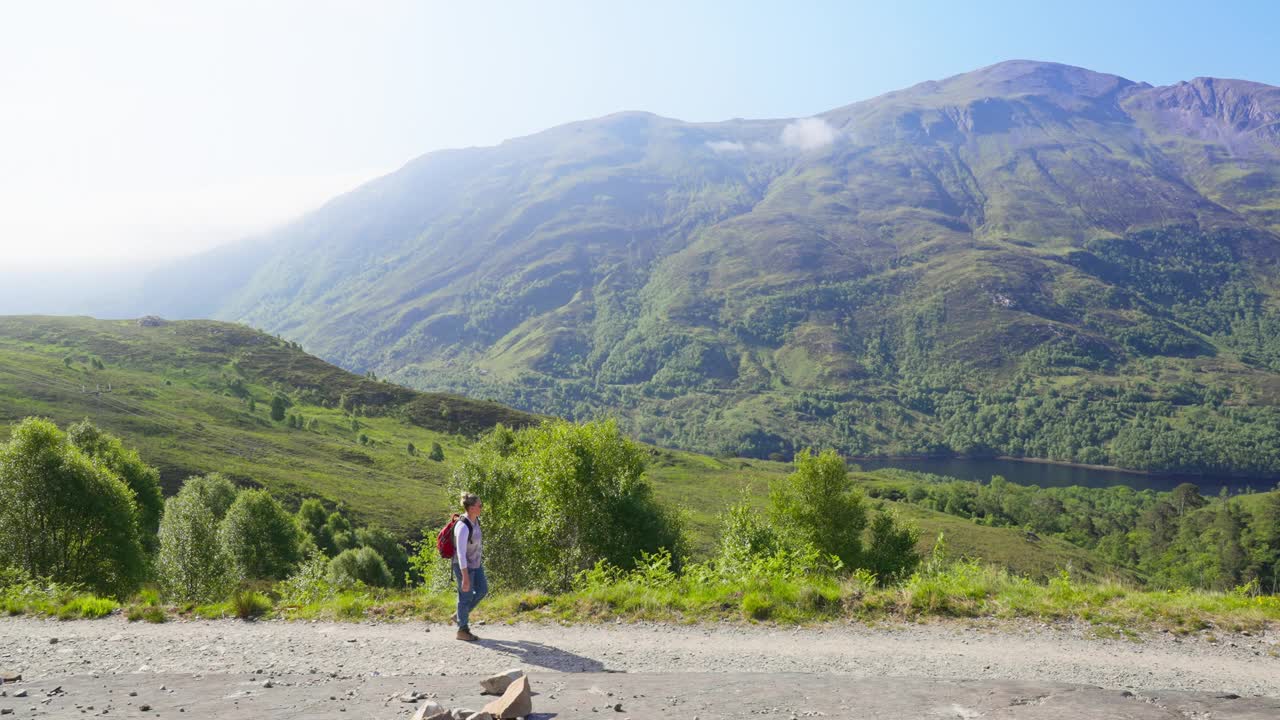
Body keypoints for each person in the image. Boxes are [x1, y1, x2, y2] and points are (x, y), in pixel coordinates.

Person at [452, 492, 487, 641]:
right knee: (465, 597)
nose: (482, 507)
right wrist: (465, 576)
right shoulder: (463, 526)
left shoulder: (476, 520)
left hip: (476, 563)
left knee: (482, 590)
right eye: (480, 505)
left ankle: (460, 615)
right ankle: (462, 630)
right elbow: (460, 554)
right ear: (472, 508)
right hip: (463, 566)